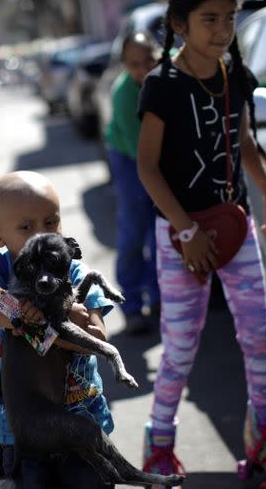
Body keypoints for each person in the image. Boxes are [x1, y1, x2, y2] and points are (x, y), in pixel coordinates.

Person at [136, 0, 266, 486]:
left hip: (236, 228)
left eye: (229, 18)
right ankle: (159, 446)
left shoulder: (236, 77)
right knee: (180, 349)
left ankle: (265, 435)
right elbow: (147, 167)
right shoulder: (161, 87)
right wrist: (186, 231)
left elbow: (243, 143)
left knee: (260, 338)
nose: (223, 29)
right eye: (210, 19)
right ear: (180, 25)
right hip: (181, 239)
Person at [0, 170, 116, 489]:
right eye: (25, 227)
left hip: (82, 420)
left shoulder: (75, 271)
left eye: (51, 222)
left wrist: (69, 323)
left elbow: (98, 338)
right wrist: (23, 317)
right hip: (21, 430)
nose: (40, 235)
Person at [104, 31, 161, 335]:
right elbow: (143, 151)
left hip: (158, 160)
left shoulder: (169, 76)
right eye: (134, 64)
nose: (143, 69)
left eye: (149, 60)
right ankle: (132, 305)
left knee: (160, 235)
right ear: (125, 65)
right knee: (133, 232)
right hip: (130, 159)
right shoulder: (124, 94)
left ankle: (159, 297)